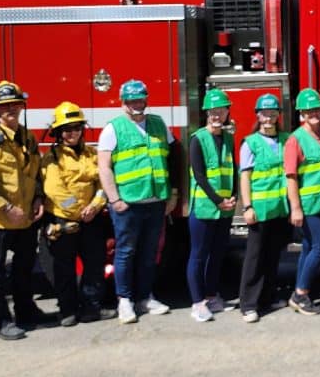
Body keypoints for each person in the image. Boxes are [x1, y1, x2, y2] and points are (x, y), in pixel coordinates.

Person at [0, 79, 53, 341]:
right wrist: (5, 208)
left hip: (25, 220)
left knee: (24, 270)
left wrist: (38, 198)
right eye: (4, 106)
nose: (10, 110)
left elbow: (36, 174)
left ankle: (26, 311)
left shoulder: (27, 137)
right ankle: (1, 322)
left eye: (15, 105)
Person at [97, 79, 179, 324]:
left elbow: (174, 157)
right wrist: (115, 200)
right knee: (125, 252)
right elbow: (104, 167)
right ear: (123, 103)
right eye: (131, 101)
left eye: (140, 100)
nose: (136, 105)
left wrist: (172, 194)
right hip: (128, 204)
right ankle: (125, 301)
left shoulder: (158, 124)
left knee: (149, 253)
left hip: (155, 202)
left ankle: (145, 298)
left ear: (146, 100)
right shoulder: (113, 129)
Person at [40, 101, 115, 327]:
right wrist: (78, 211)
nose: (72, 133)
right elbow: (55, 190)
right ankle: (67, 311)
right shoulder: (51, 158)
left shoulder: (92, 153)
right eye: (67, 129)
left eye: (76, 127)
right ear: (58, 132)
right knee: (63, 267)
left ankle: (92, 308)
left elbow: (104, 181)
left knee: (94, 264)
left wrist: (95, 205)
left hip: (91, 218)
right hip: (63, 220)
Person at [238, 93, 291, 323]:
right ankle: (249, 304)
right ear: (257, 116)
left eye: (272, 113)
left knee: (273, 256)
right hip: (259, 209)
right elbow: (245, 177)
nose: (268, 118)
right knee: (255, 258)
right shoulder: (250, 143)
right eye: (264, 114)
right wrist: (247, 206)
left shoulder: (286, 139)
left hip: (279, 209)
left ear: (278, 115)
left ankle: (267, 297)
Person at [186, 89, 237, 322]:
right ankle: (197, 303)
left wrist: (233, 196)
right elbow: (199, 175)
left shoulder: (228, 138)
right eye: (212, 112)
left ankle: (211, 296)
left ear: (227, 112)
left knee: (216, 255)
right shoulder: (198, 138)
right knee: (198, 255)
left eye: (221, 111)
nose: (216, 115)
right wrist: (218, 201)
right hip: (205, 207)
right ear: (206, 113)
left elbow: (232, 169)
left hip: (224, 208)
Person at [284, 88, 320, 316]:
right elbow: (291, 177)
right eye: (308, 110)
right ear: (301, 114)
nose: (313, 113)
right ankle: (300, 294)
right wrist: (295, 208)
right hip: (307, 205)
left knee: (308, 247)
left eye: (316, 109)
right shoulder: (295, 140)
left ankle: (298, 290)